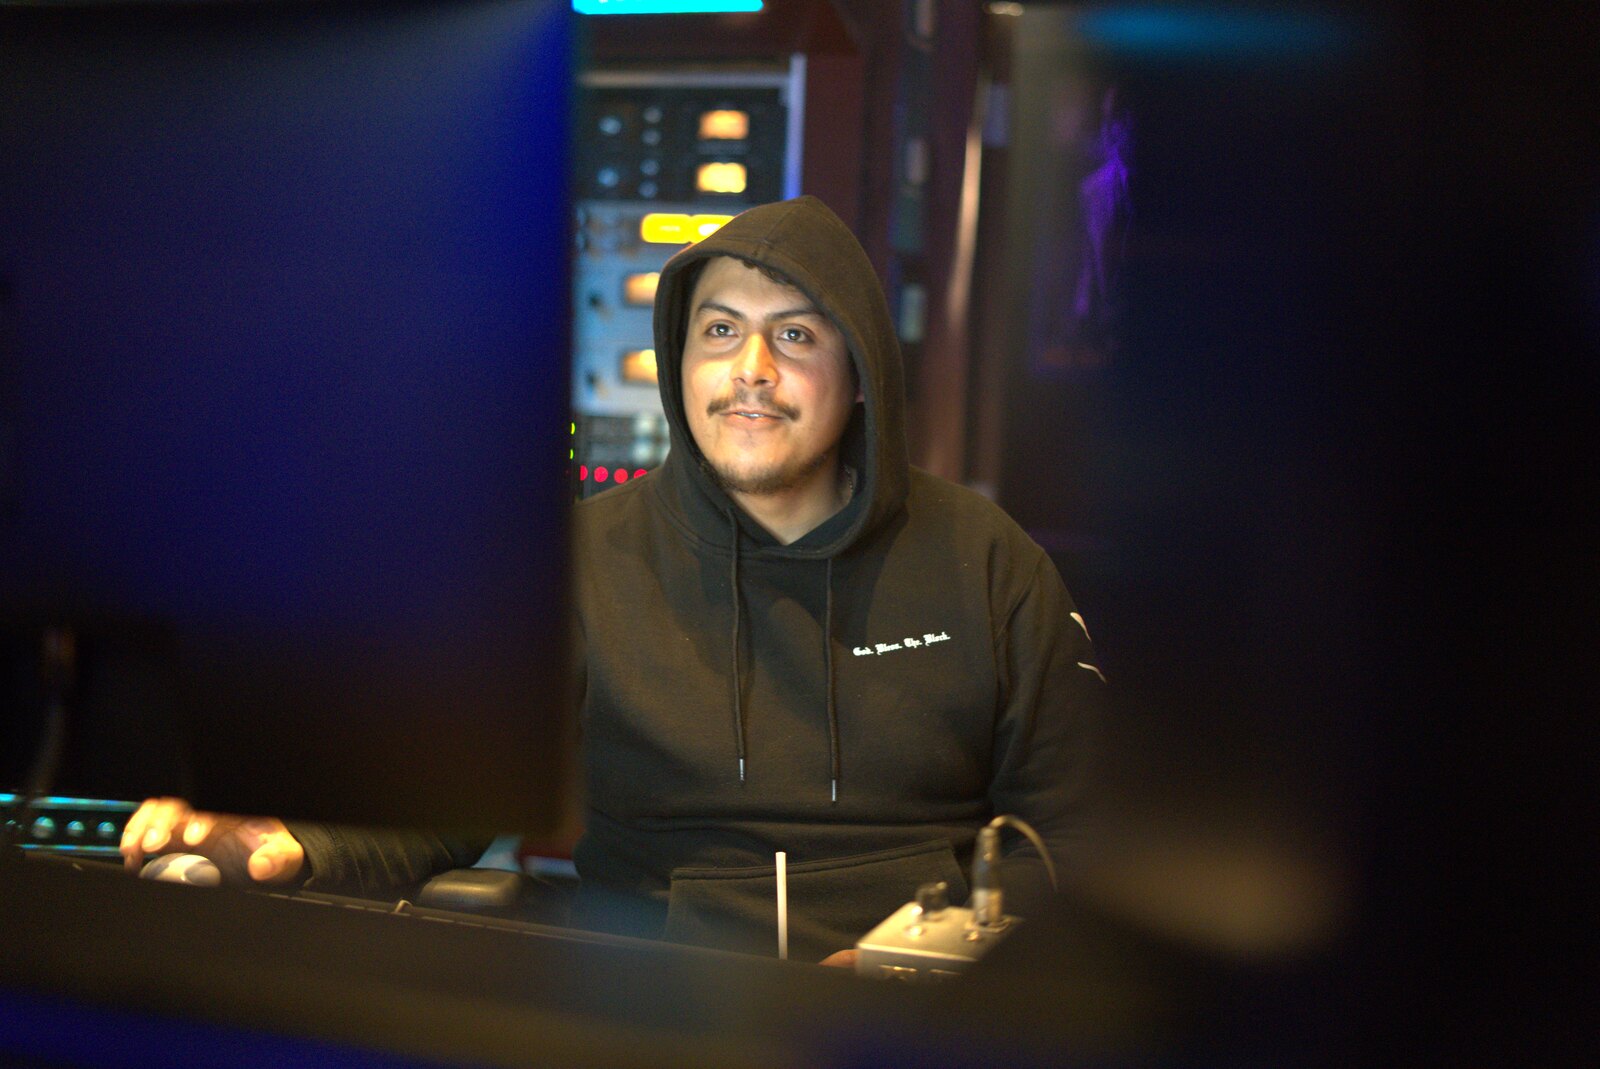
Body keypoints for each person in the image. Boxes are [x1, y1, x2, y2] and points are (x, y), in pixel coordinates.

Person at [121, 196, 1106, 964]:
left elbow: (1076, 836)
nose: (751, 367)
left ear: (860, 377)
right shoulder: (584, 558)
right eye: (718, 332)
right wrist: (286, 829)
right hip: (648, 1004)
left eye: (796, 335)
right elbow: (445, 790)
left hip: (909, 1009)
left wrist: (928, 961)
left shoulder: (985, 557)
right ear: (679, 364)